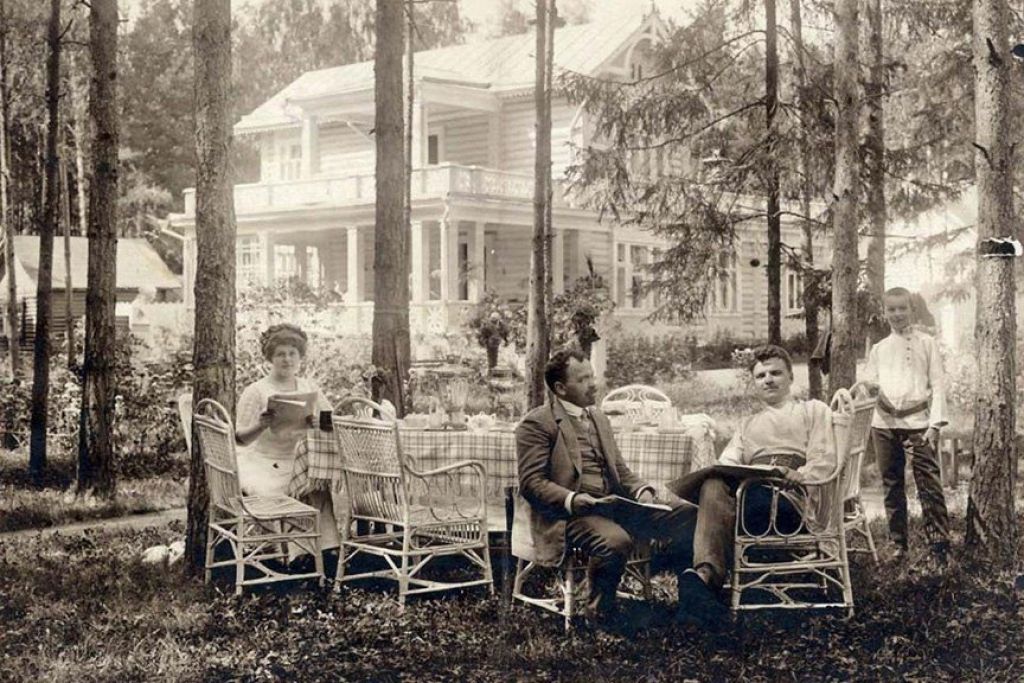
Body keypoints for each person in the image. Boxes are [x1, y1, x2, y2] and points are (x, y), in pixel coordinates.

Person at [512, 347, 697, 628]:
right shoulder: (537, 423)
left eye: (592, 376)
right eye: (583, 379)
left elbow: (620, 470)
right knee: (615, 541)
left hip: (613, 504)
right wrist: (572, 499)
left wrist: (641, 491)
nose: (593, 384)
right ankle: (599, 616)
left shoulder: (598, 417)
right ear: (560, 388)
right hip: (570, 514)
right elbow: (531, 482)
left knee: (688, 514)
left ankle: (691, 602)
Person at [670, 344, 836, 629]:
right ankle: (704, 579)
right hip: (754, 498)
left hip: (792, 501)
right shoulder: (748, 424)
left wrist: (801, 474)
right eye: (761, 376)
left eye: (775, 373)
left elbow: (825, 457)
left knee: (707, 513)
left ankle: (699, 582)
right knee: (712, 483)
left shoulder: (812, 410)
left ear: (791, 377)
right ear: (755, 383)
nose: (768, 380)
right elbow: (727, 461)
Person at [235, 323, 339, 563]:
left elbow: (332, 420)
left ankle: (327, 550)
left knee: (317, 485)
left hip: (298, 458)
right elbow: (239, 439)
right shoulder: (257, 391)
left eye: (292, 353)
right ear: (270, 358)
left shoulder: (308, 387)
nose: (287, 359)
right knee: (292, 489)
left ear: (300, 357)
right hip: (262, 461)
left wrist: (318, 422)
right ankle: (297, 556)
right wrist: (261, 425)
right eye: (280, 354)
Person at [861, 287, 950, 566]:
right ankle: (898, 544)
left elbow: (938, 384)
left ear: (912, 309)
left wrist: (935, 425)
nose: (897, 314)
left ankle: (939, 546)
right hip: (884, 424)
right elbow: (868, 382)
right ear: (884, 312)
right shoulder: (879, 349)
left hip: (919, 424)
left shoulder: (927, 343)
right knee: (891, 484)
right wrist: (870, 387)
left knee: (928, 483)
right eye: (892, 309)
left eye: (902, 308)